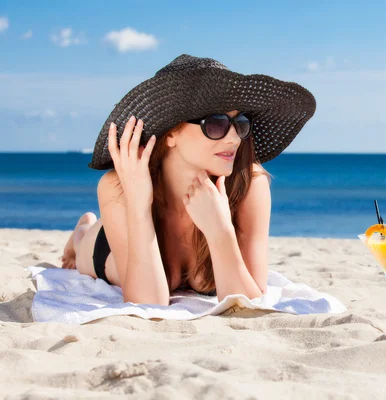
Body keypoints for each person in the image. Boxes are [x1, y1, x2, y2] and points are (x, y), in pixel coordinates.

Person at [58, 54, 316, 306]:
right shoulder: (119, 186)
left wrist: (220, 231)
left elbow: (251, 301)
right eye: (216, 123)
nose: (234, 138)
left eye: (240, 123)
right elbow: (148, 304)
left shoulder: (249, 185)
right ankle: (82, 230)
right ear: (170, 134)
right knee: (82, 249)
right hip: (109, 244)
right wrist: (138, 204)